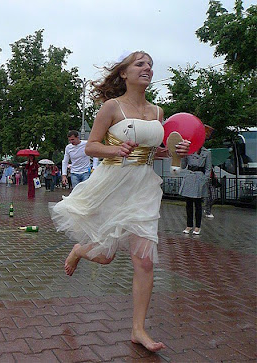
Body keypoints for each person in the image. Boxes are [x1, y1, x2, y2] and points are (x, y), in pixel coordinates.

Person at [50, 51, 190, 352]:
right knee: (104, 256)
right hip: (112, 185)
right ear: (124, 74)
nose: (147, 68)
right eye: (140, 64)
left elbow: (156, 151)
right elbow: (90, 147)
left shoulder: (158, 112)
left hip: (143, 189)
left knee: (145, 260)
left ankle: (138, 329)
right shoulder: (112, 107)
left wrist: (175, 149)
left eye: (150, 65)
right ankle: (79, 250)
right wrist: (115, 151)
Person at [180, 146, 212, 235]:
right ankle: (189, 225)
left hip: (199, 178)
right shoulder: (188, 150)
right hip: (189, 177)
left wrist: (204, 180)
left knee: (198, 204)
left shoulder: (207, 153)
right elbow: (183, 166)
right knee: (188, 204)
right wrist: (183, 156)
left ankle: (198, 226)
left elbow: (208, 168)